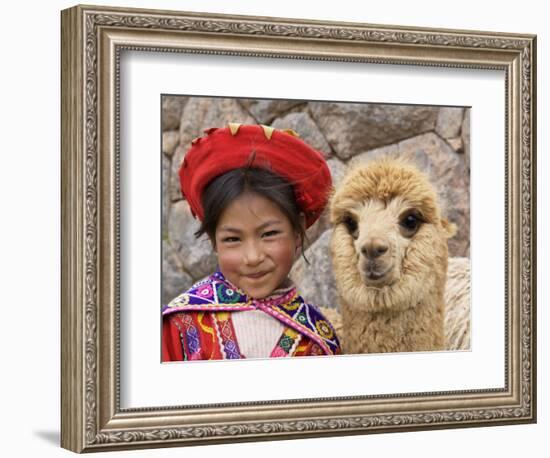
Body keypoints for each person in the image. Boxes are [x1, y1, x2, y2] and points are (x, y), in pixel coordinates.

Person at [162, 123, 341, 361]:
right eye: (233, 239)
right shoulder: (180, 325)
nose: (253, 257)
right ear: (214, 241)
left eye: (268, 234)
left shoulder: (318, 341)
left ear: (297, 231)